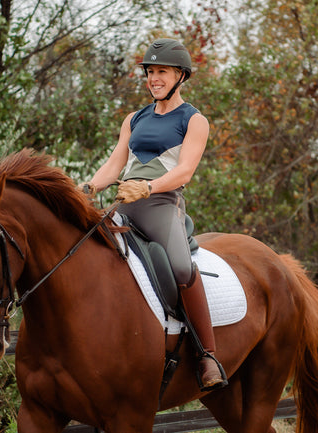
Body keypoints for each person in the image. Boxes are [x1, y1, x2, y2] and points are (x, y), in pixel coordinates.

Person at [80, 38, 226, 391]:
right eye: (150, 72)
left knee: (180, 266)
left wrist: (147, 187)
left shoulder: (194, 120)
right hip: (124, 204)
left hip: (162, 205)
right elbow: (116, 163)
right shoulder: (135, 118)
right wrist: (88, 189)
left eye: (161, 71)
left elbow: (185, 171)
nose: (153, 78)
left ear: (180, 75)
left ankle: (207, 355)